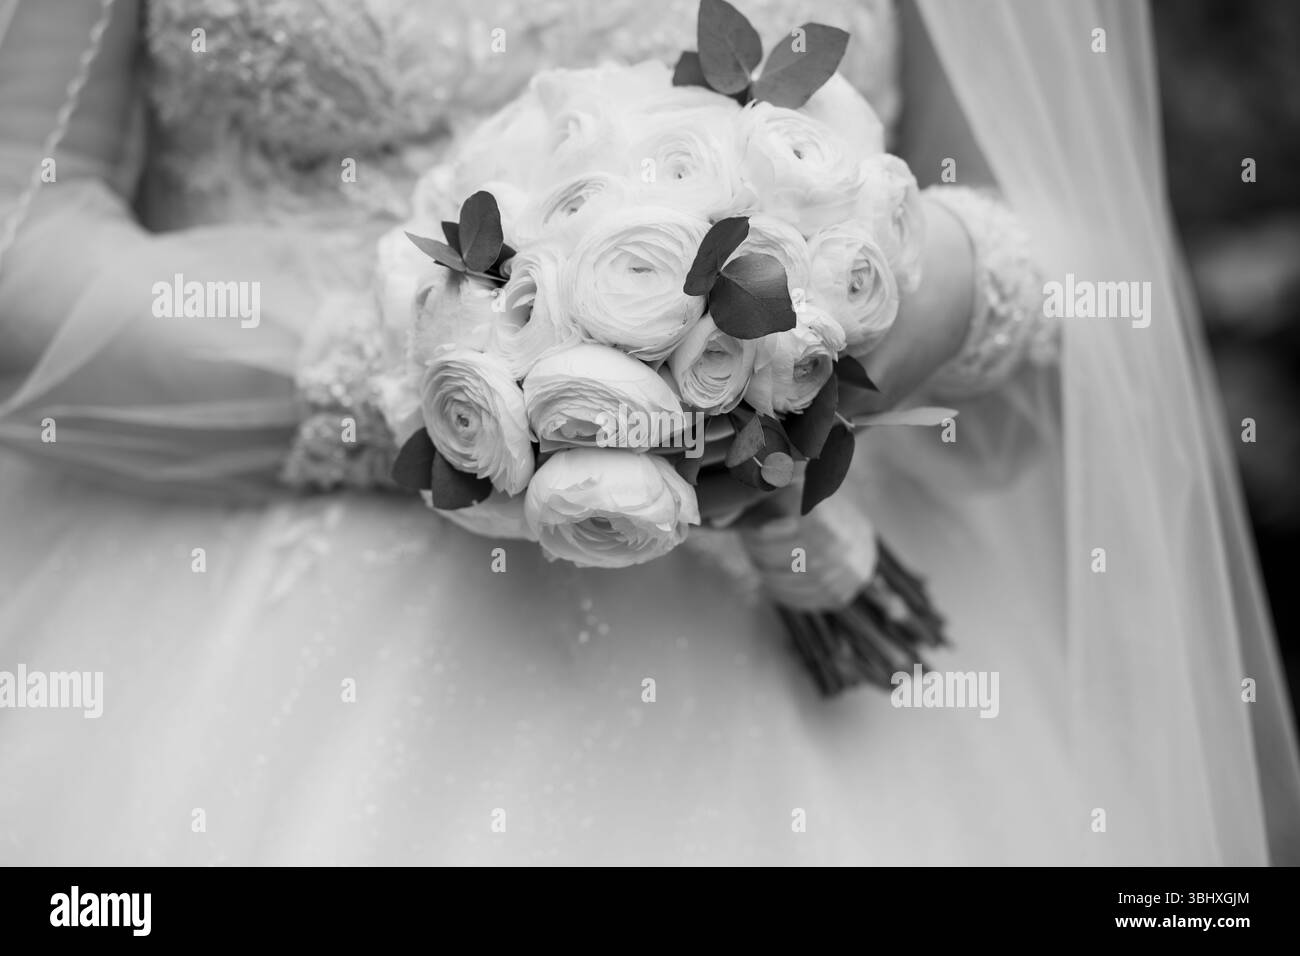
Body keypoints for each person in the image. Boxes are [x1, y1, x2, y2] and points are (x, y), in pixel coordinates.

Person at [0, 0, 1294, 864]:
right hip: (233, 634)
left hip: (805, 655)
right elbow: (22, 225)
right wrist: (457, 384)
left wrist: (920, 286)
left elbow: (1068, 231)